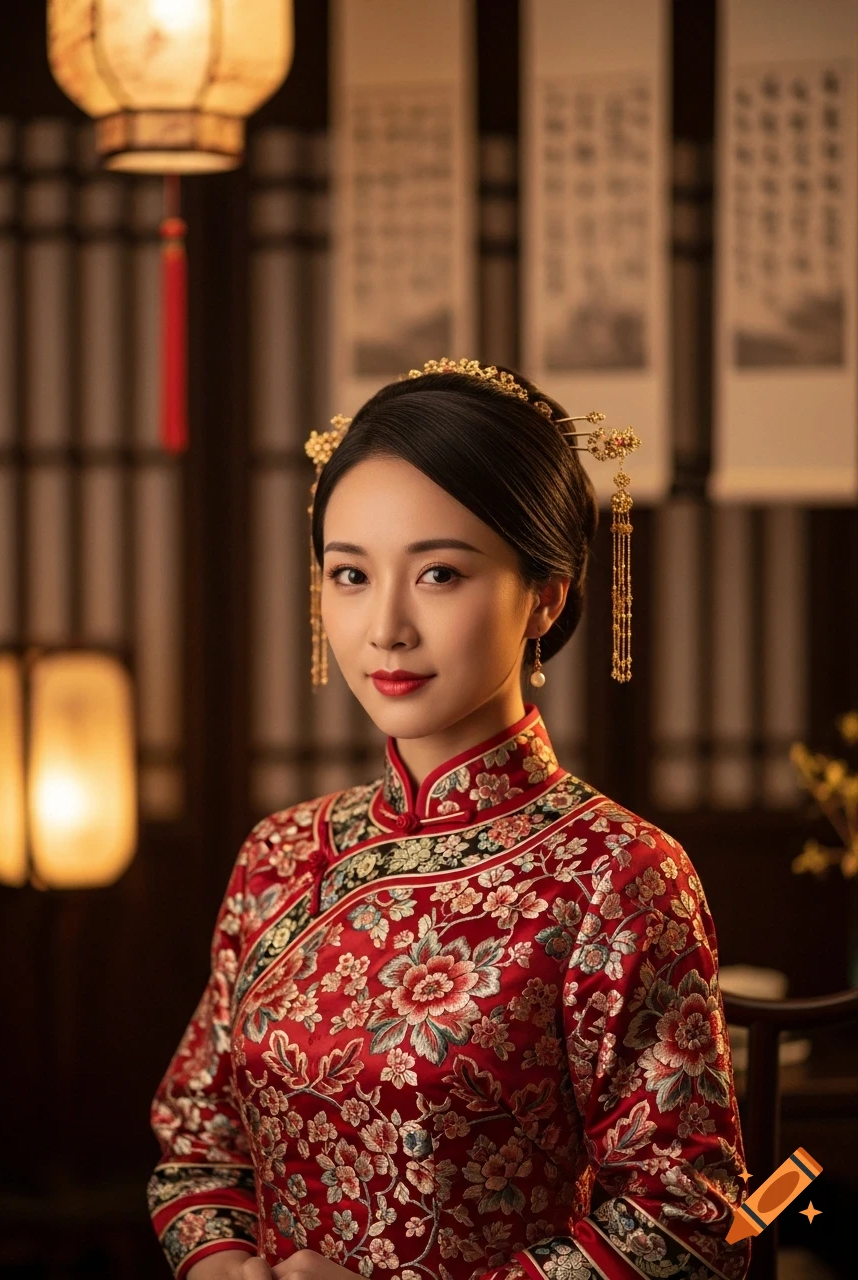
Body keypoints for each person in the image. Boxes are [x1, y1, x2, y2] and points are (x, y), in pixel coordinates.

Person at [147, 361, 751, 1280]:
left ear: (543, 596)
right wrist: (224, 1265)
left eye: (438, 573)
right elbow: (198, 1140)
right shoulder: (279, 854)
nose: (385, 626)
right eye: (349, 574)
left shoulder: (618, 875)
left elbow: (684, 1221)